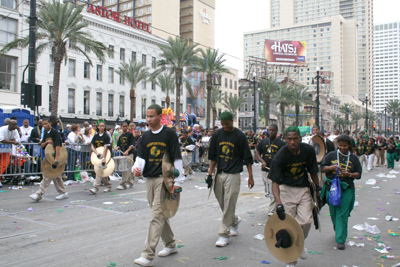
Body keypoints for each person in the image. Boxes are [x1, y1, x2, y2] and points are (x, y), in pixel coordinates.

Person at [132, 104, 184, 267]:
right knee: (160, 214)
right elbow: (140, 158)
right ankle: (170, 244)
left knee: (156, 215)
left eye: (152, 116)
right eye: (147, 116)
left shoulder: (169, 134)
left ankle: (147, 254)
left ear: (160, 117)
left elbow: (176, 158)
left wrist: (179, 181)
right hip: (150, 180)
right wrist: (136, 168)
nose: (148, 119)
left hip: (165, 180)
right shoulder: (145, 137)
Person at [268, 126, 320, 267]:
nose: (292, 142)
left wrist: (317, 190)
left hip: (303, 188)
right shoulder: (281, 155)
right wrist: (278, 203)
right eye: (289, 139)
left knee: (306, 221)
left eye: (295, 138)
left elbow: (313, 171)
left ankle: (300, 244)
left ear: (300, 138)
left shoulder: (308, 151)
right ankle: (291, 261)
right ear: (285, 139)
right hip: (286, 189)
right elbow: (275, 183)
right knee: (289, 225)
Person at [207, 111, 254, 247]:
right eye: (223, 124)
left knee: (229, 204)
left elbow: (248, 159)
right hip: (219, 173)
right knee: (223, 203)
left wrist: (250, 177)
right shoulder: (217, 135)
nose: (225, 127)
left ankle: (224, 234)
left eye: (227, 124)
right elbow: (213, 157)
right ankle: (234, 221)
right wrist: (210, 175)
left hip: (233, 174)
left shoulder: (239, 136)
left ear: (232, 121)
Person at [321, 134, 362, 250]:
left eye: (345, 146)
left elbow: (358, 174)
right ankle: (338, 230)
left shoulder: (353, 158)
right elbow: (322, 168)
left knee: (342, 213)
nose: (342, 148)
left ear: (349, 146)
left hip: (346, 188)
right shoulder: (331, 155)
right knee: (333, 212)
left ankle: (340, 239)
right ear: (337, 145)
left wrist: (349, 174)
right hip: (332, 188)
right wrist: (331, 168)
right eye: (340, 145)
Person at [29, 119, 68, 201]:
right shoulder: (46, 133)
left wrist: (56, 158)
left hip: (54, 157)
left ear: (50, 123)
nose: (44, 126)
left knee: (48, 175)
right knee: (56, 176)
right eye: (43, 124)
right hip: (48, 157)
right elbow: (42, 145)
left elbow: (58, 145)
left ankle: (39, 193)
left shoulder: (55, 132)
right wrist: (47, 142)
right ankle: (63, 192)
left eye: (46, 124)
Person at [255, 124, 285, 216]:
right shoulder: (263, 142)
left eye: (273, 130)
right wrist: (262, 161)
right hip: (265, 170)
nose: (271, 132)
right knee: (268, 190)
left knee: (273, 190)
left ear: (277, 131)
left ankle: (272, 210)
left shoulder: (281, 143)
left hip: (275, 171)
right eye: (270, 130)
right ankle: (277, 206)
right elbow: (257, 153)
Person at [89, 122, 112, 194]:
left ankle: (95, 187)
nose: (102, 127)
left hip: (105, 154)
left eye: (103, 126)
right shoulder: (95, 136)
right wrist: (96, 153)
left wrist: (104, 158)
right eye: (101, 126)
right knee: (102, 171)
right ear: (98, 127)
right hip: (97, 154)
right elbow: (92, 146)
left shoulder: (106, 136)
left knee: (99, 170)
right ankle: (108, 185)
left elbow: (105, 148)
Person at [115, 123, 135, 190]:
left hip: (129, 154)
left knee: (127, 169)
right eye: (123, 126)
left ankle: (123, 183)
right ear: (121, 127)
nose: (125, 127)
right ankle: (130, 182)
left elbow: (132, 145)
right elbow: (119, 145)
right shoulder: (120, 137)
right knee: (126, 169)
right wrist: (117, 148)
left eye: (126, 126)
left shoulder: (130, 135)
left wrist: (127, 151)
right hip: (123, 154)